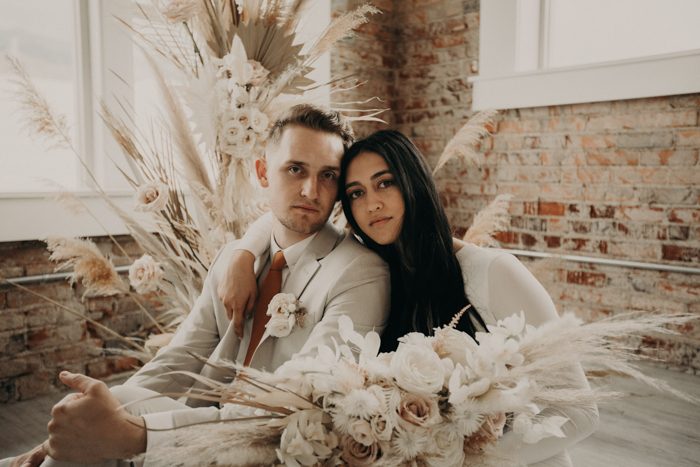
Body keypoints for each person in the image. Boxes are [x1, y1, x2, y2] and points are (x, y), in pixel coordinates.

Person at [6, 105, 390, 467]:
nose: (311, 190)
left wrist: (134, 433)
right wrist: (93, 415)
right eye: (294, 169)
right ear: (262, 172)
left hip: (273, 442)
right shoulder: (234, 258)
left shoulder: (359, 271)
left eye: (328, 175)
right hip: (201, 420)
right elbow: (180, 357)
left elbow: (299, 402)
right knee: (116, 400)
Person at [221, 129, 599, 467]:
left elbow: (581, 412)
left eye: (385, 184)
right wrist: (244, 254)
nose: (372, 204)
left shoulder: (494, 272)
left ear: (414, 183)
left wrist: (470, 463)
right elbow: (283, 223)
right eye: (356, 193)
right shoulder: (373, 277)